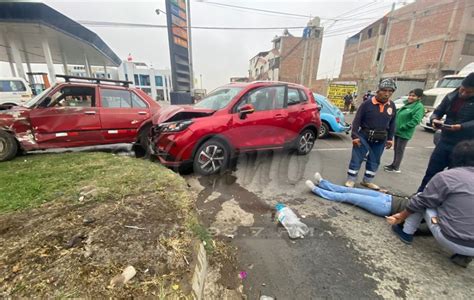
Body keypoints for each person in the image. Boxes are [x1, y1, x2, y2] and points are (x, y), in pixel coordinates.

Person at [387, 140, 474, 268]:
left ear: (455, 157)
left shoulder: (448, 176)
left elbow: (422, 201)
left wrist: (402, 215)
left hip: (450, 238)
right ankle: (464, 256)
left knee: (420, 198)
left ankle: (406, 233)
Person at [416, 72, 474, 193]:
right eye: (462, 89)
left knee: (454, 178)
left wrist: (462, 127)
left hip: (464, 146)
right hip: (445, 141)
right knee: (431, 172)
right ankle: (420, 195)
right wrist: (434, 119)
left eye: (468, 92)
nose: (463, 93)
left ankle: (442, 203)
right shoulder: (451, 96)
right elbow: (438, 111)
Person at [345, 78, 397, 190]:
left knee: (375, 160)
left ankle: (367, 181)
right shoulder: (367, 104)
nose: (387, 94)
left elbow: (392, 123)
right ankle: (351, 179)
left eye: (390, 91)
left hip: (381, 137)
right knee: (357, 158)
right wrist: (354, 136)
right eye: (384, 90)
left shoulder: (392, 105)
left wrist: (390, 139)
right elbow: (357, 121)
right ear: (378, 90)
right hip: (364, 135)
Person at [305, 172, 408, 217]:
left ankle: (317, 190)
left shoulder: (423, 215)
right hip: (388, 197)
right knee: (349, 190)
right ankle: (323, 183)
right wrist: (389, 193)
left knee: (347, 197)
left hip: (386, 207)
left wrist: (398, 219)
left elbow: (417, 227)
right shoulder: (424, 194)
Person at [384, 89, 425, 173]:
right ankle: (393, 164)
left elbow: (416, 120)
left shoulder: (419, 107)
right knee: (396, 149)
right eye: (410, 95)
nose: (410, 97)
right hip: (398, 131)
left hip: (404, 132)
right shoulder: (408, 104)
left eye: (413, 96)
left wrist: (404, 127)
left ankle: (396, 167)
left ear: (419, 97)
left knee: (400, 150)